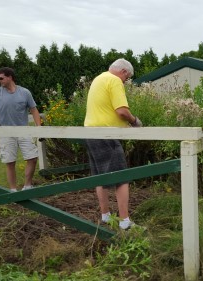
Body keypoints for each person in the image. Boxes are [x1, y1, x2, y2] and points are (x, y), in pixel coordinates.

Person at [84, 58, 142, 230]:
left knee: (100, 176)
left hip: (89, 132)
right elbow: (122, 111)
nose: (126, 81)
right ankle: (125, 222)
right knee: (121, 177)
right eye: (127, 77)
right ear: (124, 72)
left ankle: (105, 216)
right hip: (106, 133)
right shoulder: (115, 80)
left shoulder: (99, 78)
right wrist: (135, 121)